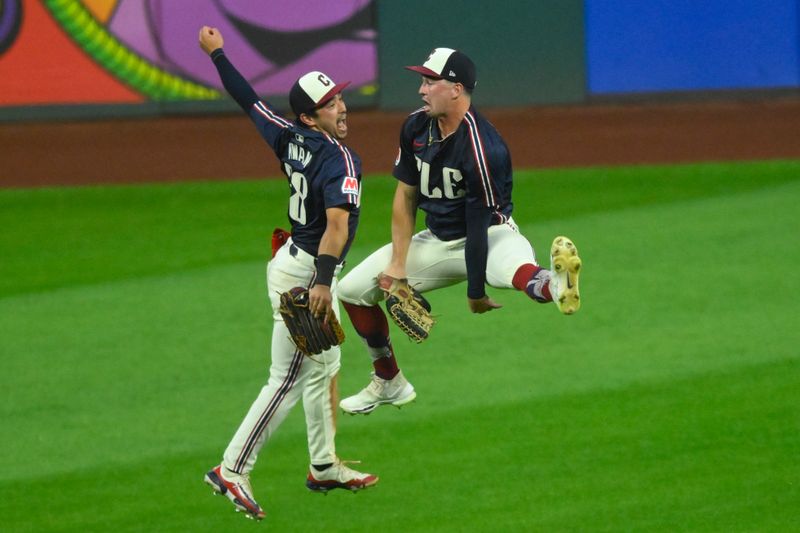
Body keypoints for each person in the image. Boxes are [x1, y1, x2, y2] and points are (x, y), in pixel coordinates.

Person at [337, 47, 582, 414]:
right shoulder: (416, 127)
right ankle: (388, 380)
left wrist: (475, 293)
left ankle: (555, 283)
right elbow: (405, 197)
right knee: (352, 290)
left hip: (492, 235)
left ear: (456, 88)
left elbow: (478, 224)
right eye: (422, 81)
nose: (421, 90)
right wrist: (399, 265)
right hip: (436, 241)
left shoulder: (484, 148)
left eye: (429, 81)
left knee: (514, 272)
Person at [197, 26, 377, 520]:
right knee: (289, 378)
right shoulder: (340, 158)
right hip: (307, 275)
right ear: (309, 116)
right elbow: (337, 228)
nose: (341, 107)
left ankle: (323, 465)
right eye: (330, 103)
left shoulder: (287, 135)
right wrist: (322, 282)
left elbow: (248, 100)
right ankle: (232, 469)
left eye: (339, 97)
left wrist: (218, 54)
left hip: (298, 263)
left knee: (328, 365)